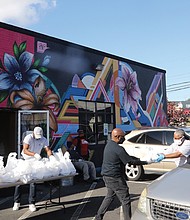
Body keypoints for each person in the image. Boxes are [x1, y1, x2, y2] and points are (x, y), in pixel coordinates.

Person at [94, 128, 149, 220]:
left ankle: (98, 217)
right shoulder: (118, 148)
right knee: (125, 199)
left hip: (107, 176)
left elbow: (126, 157)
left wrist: (139, 159)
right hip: (115, 177)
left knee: (110, 196)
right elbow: (131, 162)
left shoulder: (109, 145)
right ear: (117, 137)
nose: (124, 139)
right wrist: (146, 162)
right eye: (123, 137)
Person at [13, 126, 55, 212]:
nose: (38, 138)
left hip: (35, 161)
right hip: (25, 159)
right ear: (33, 133)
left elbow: (47, 149)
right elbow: (25, 150)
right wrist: (34, 154)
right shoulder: (28, 137)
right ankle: (16, 202)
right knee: (20, 181)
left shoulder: (43, 139)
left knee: (33, 181)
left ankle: (32, 203)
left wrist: (51, 157)